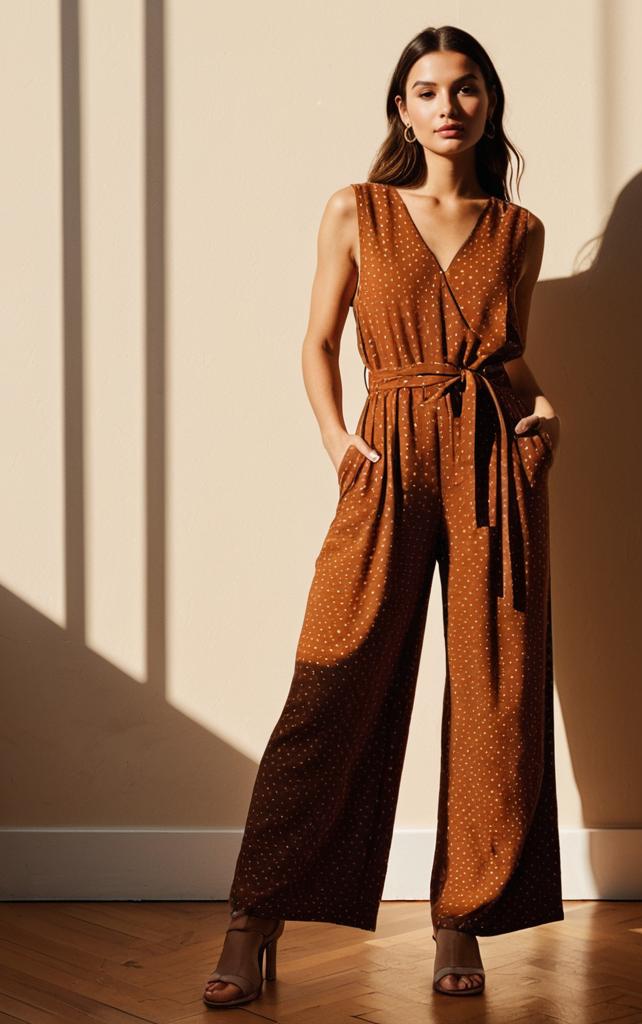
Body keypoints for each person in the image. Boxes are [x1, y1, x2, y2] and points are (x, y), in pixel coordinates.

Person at [203, 24, 563, 1008]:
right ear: (402, 109)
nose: (449, 105)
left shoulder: (517, 228)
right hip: (388, 448)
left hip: (492, 461)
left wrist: (541, 414)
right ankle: (255, 914)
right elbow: (318, 342)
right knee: (334, 681)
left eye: (466, 88)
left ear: (489, 103)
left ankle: (463, 915)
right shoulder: (355, 209)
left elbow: (506, 353)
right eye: (428, 90)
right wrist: (337, 444)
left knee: (494, 697)